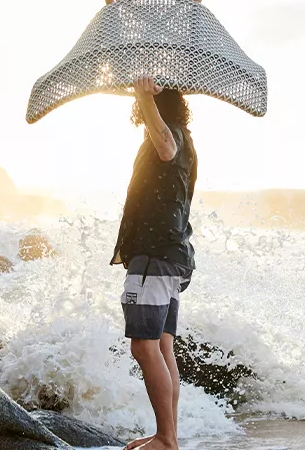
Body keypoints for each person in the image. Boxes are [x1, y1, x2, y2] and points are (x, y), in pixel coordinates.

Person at [114, 76, 199, 450]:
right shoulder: (183, 138)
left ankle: (166, 437)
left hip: (157, 255)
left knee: (143, 347)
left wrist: (141, 96)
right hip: (169, 256)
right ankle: (169, 436)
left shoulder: (173, 137)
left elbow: (164, 145)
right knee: (162, 347)